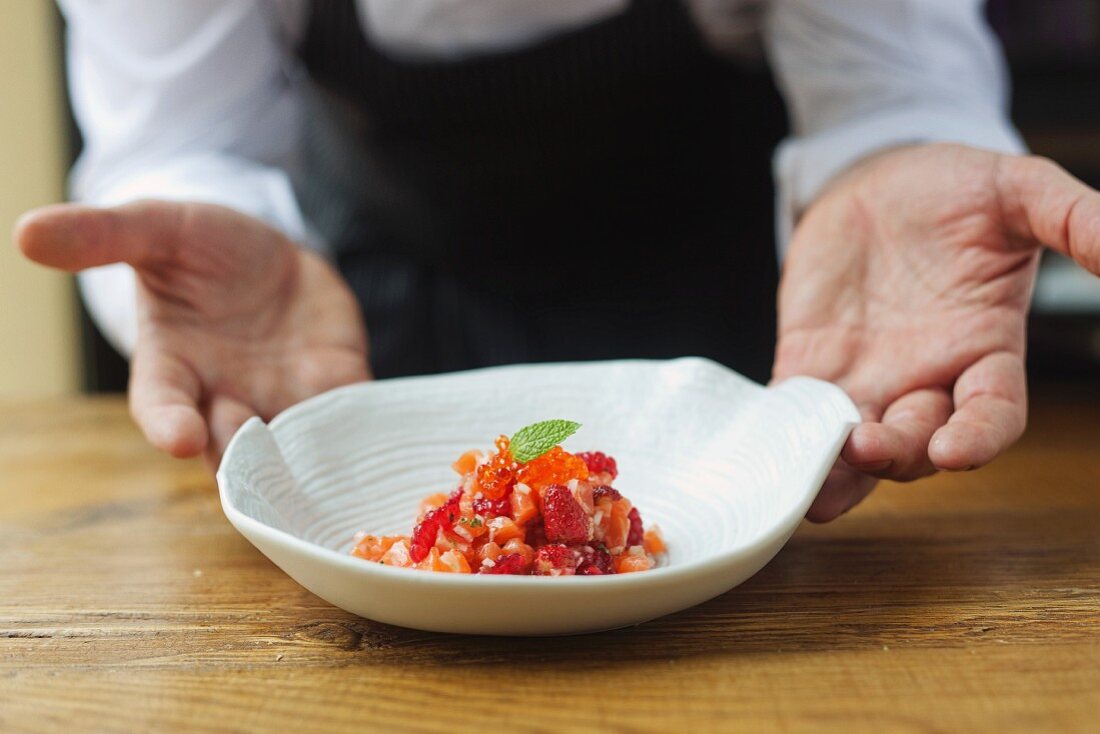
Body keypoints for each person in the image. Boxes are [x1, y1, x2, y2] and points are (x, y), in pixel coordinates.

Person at [15, 0, 1100, 522]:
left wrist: (898, 162)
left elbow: (888, 82)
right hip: (347, 317)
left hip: (738, 315)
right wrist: (197, 235)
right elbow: (181, 132)